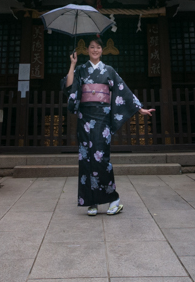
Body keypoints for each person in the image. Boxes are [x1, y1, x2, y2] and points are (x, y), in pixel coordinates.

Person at [63, 38, 154, 216]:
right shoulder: (81, 70)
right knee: (86, 160)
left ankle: (114, 199)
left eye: (98, 47)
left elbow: (123, 90)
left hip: (102, 119)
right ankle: (92, 202)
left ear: (102, 50)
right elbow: (69, 87)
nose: (95, 50)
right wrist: (72, 64)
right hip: (84, 119)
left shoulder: (109, 71)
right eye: (91, 47)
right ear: (87, 50)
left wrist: (139, 108)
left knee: (101, 159)